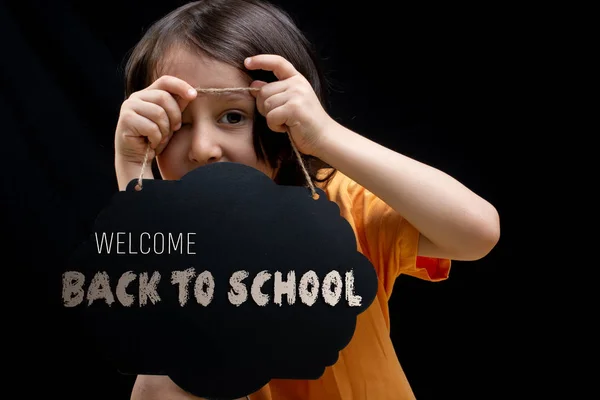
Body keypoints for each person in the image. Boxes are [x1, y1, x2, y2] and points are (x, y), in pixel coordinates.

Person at [113, 0, 500, 399]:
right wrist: (133, 176)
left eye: (233, 117)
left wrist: (325, 135)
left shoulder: (342, 208)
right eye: (178, 123)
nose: (203, 148)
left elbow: (476, 231)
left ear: (283, 124)